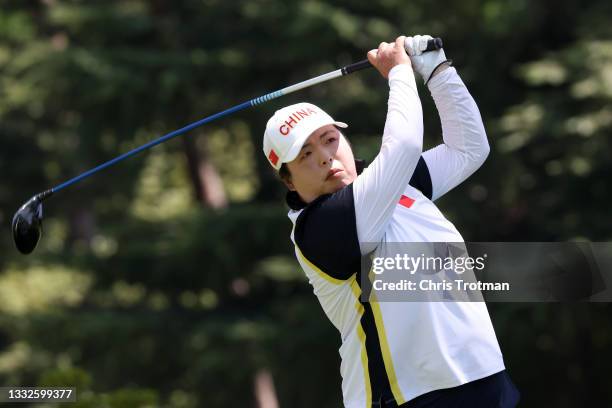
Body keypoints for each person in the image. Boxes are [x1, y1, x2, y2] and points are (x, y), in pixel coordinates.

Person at [262, 35, 520, 408]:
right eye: (305, 155)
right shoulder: (321, 226)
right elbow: (402, 147)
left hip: (483, 378)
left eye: (329, 139)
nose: (325, 157)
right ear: (288, 181)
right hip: (405, 397)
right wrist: (399, 73)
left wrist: (435, 68)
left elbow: (469, 149)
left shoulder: (392, 186)